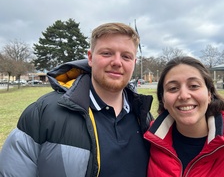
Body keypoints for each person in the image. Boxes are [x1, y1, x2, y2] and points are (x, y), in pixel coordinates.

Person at [0, 22, 153, 177]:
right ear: (91, 58)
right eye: (107, 53)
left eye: (126, 56)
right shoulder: (43, 113)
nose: (117, 62)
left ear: (133, 64)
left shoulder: (144, 117)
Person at [144, 56, 224, 177]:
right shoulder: (147, 143)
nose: (184, 96)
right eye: (173, 88)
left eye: (193, 86)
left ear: (209, 94)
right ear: (163, 100)